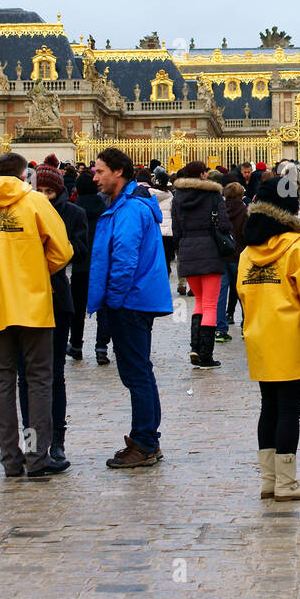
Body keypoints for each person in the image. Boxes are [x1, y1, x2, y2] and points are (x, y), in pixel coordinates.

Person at [0, 152, 73, 479]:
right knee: (38, 381)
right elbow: (62, 250)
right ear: (24, 174)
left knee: (3, 383)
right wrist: (39, 270)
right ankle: (37, 457)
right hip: (34, 303)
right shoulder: (35, 202)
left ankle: (10, 459)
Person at [236, 176, 300, 501]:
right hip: (290, 339)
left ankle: (269, 480)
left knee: (268, 407)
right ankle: (287, 482)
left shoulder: (246, 254)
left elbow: (243, 297)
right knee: (288, 411)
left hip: (259, 339)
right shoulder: (298, 247)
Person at [88, 148, 174, 468]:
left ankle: (145, 443)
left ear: (119, 172)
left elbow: (124, 260)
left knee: (136, 374)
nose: (95, 177)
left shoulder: (128, 209)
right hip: (136, 299)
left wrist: (112, 300)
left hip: (129, 302)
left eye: (100, 171)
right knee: (140, 372)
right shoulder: (129, 204)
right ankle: (147, 438)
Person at [18, 162, 89, 469]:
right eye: (40, 190)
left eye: (50, 191)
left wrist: (54, 244)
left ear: (60, 192)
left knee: (54, 373)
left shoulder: (74, 214)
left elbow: (82, 251)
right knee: (25, 377)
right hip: (23, 300)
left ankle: (57, 442)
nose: (45, 196)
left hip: (58, 298)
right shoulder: (22, 213)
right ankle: (32, 444)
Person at [171, 160, 233, 368]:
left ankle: (195, 348)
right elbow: (224, 223)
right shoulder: (213, 195)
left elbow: (176, 228)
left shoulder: (178, 197)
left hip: (187, 249)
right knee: (209, 304)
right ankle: (205, 354)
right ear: (203, 175)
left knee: (198, 300)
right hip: (210, 250)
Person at [70, 170, 108, 362]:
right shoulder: (106, 208)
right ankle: (101, 348)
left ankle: (76, 344)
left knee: (77, 309)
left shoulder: (74, 209)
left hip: (80, 266)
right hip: (101, 265)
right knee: (103, 309)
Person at [215, 180, 248, 341]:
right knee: (243, 292)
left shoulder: (220, 209)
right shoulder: (244, 210)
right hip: (239, 255)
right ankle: (245, 326)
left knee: (221, 293)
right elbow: (245, 234)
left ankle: (220, 328)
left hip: (222, 255)